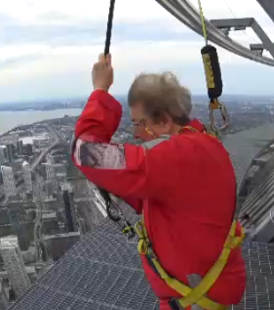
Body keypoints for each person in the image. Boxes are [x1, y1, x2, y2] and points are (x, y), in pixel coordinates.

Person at [72, 54, 246, 310]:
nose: (135, 133)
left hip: (193, 300)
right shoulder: (204, 144)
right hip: (206, 293)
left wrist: (100, 91)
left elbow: (85, 152)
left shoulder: (174, 157)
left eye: (139, 123)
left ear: (165, 120)